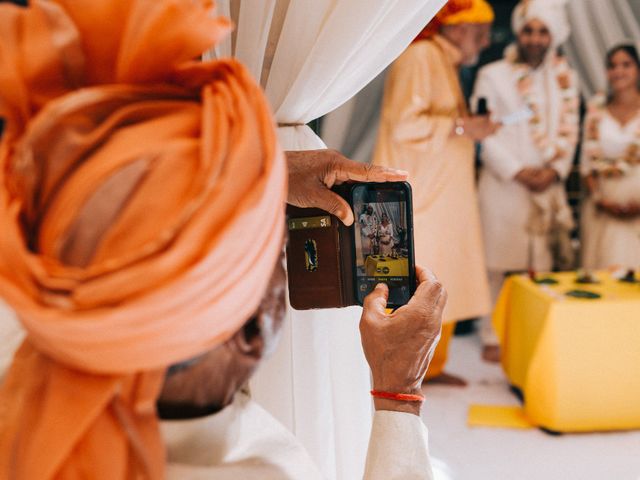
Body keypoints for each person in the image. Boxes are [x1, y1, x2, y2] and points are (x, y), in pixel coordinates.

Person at [0, 1, 444, 479]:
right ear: (253, 334)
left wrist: (261, 169)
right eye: (273, 257)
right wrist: (398, 396)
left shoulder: (33, 343)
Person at [373, 0, 497, 386]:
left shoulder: (441, 60)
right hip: (421, 198)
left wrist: (467, 127)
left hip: (441, 200)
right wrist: (463, 128)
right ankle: (402, 371)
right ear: (457, 28)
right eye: (480, 31)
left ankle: (431, 369)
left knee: (445, 277)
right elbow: (404, 124)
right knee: (418, 283)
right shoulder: (421, 55)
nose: (486, 40)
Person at [472, 0, 580, 362]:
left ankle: (537, 330)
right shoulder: (493, 73)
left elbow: (572, 130)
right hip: (505, 183)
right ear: (519, 33)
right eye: (529, 30)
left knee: (541, 262)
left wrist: (554, 171)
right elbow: (484, 132)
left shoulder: (566, 78)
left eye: (542, 30)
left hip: (546, 184)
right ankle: (492, 334)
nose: (535, 38)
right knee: (498, 263)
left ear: (554, 35)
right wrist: (517, 170)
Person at [581, 45, 640, 270]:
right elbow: (587, 164)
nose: (619, 71)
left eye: (626, 65)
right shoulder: (596, 111)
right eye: (612, 66)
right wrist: (601, 200)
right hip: (604, 206)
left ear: (638, 69)